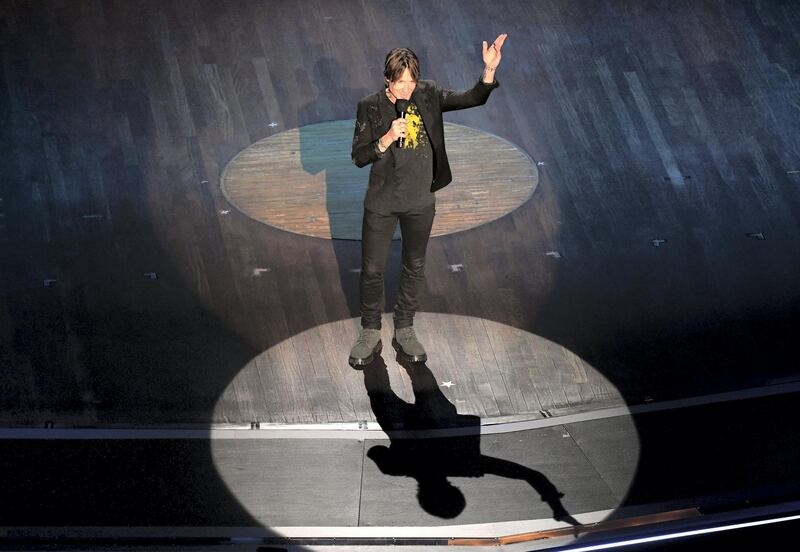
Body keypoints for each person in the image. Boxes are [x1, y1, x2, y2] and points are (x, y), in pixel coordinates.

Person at [349, 35, 507, 367]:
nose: (407, 88)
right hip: (381, 202)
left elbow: (471, 98)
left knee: (414, 265)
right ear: (387, 80)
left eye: (411, 81)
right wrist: (387, 137)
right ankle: (370, 330)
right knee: (373, 269)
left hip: (420, 200)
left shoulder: (429, 94)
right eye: (400, 82)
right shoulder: (370, 106)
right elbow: (359, 156)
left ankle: (404, 327)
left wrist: (488, 71)